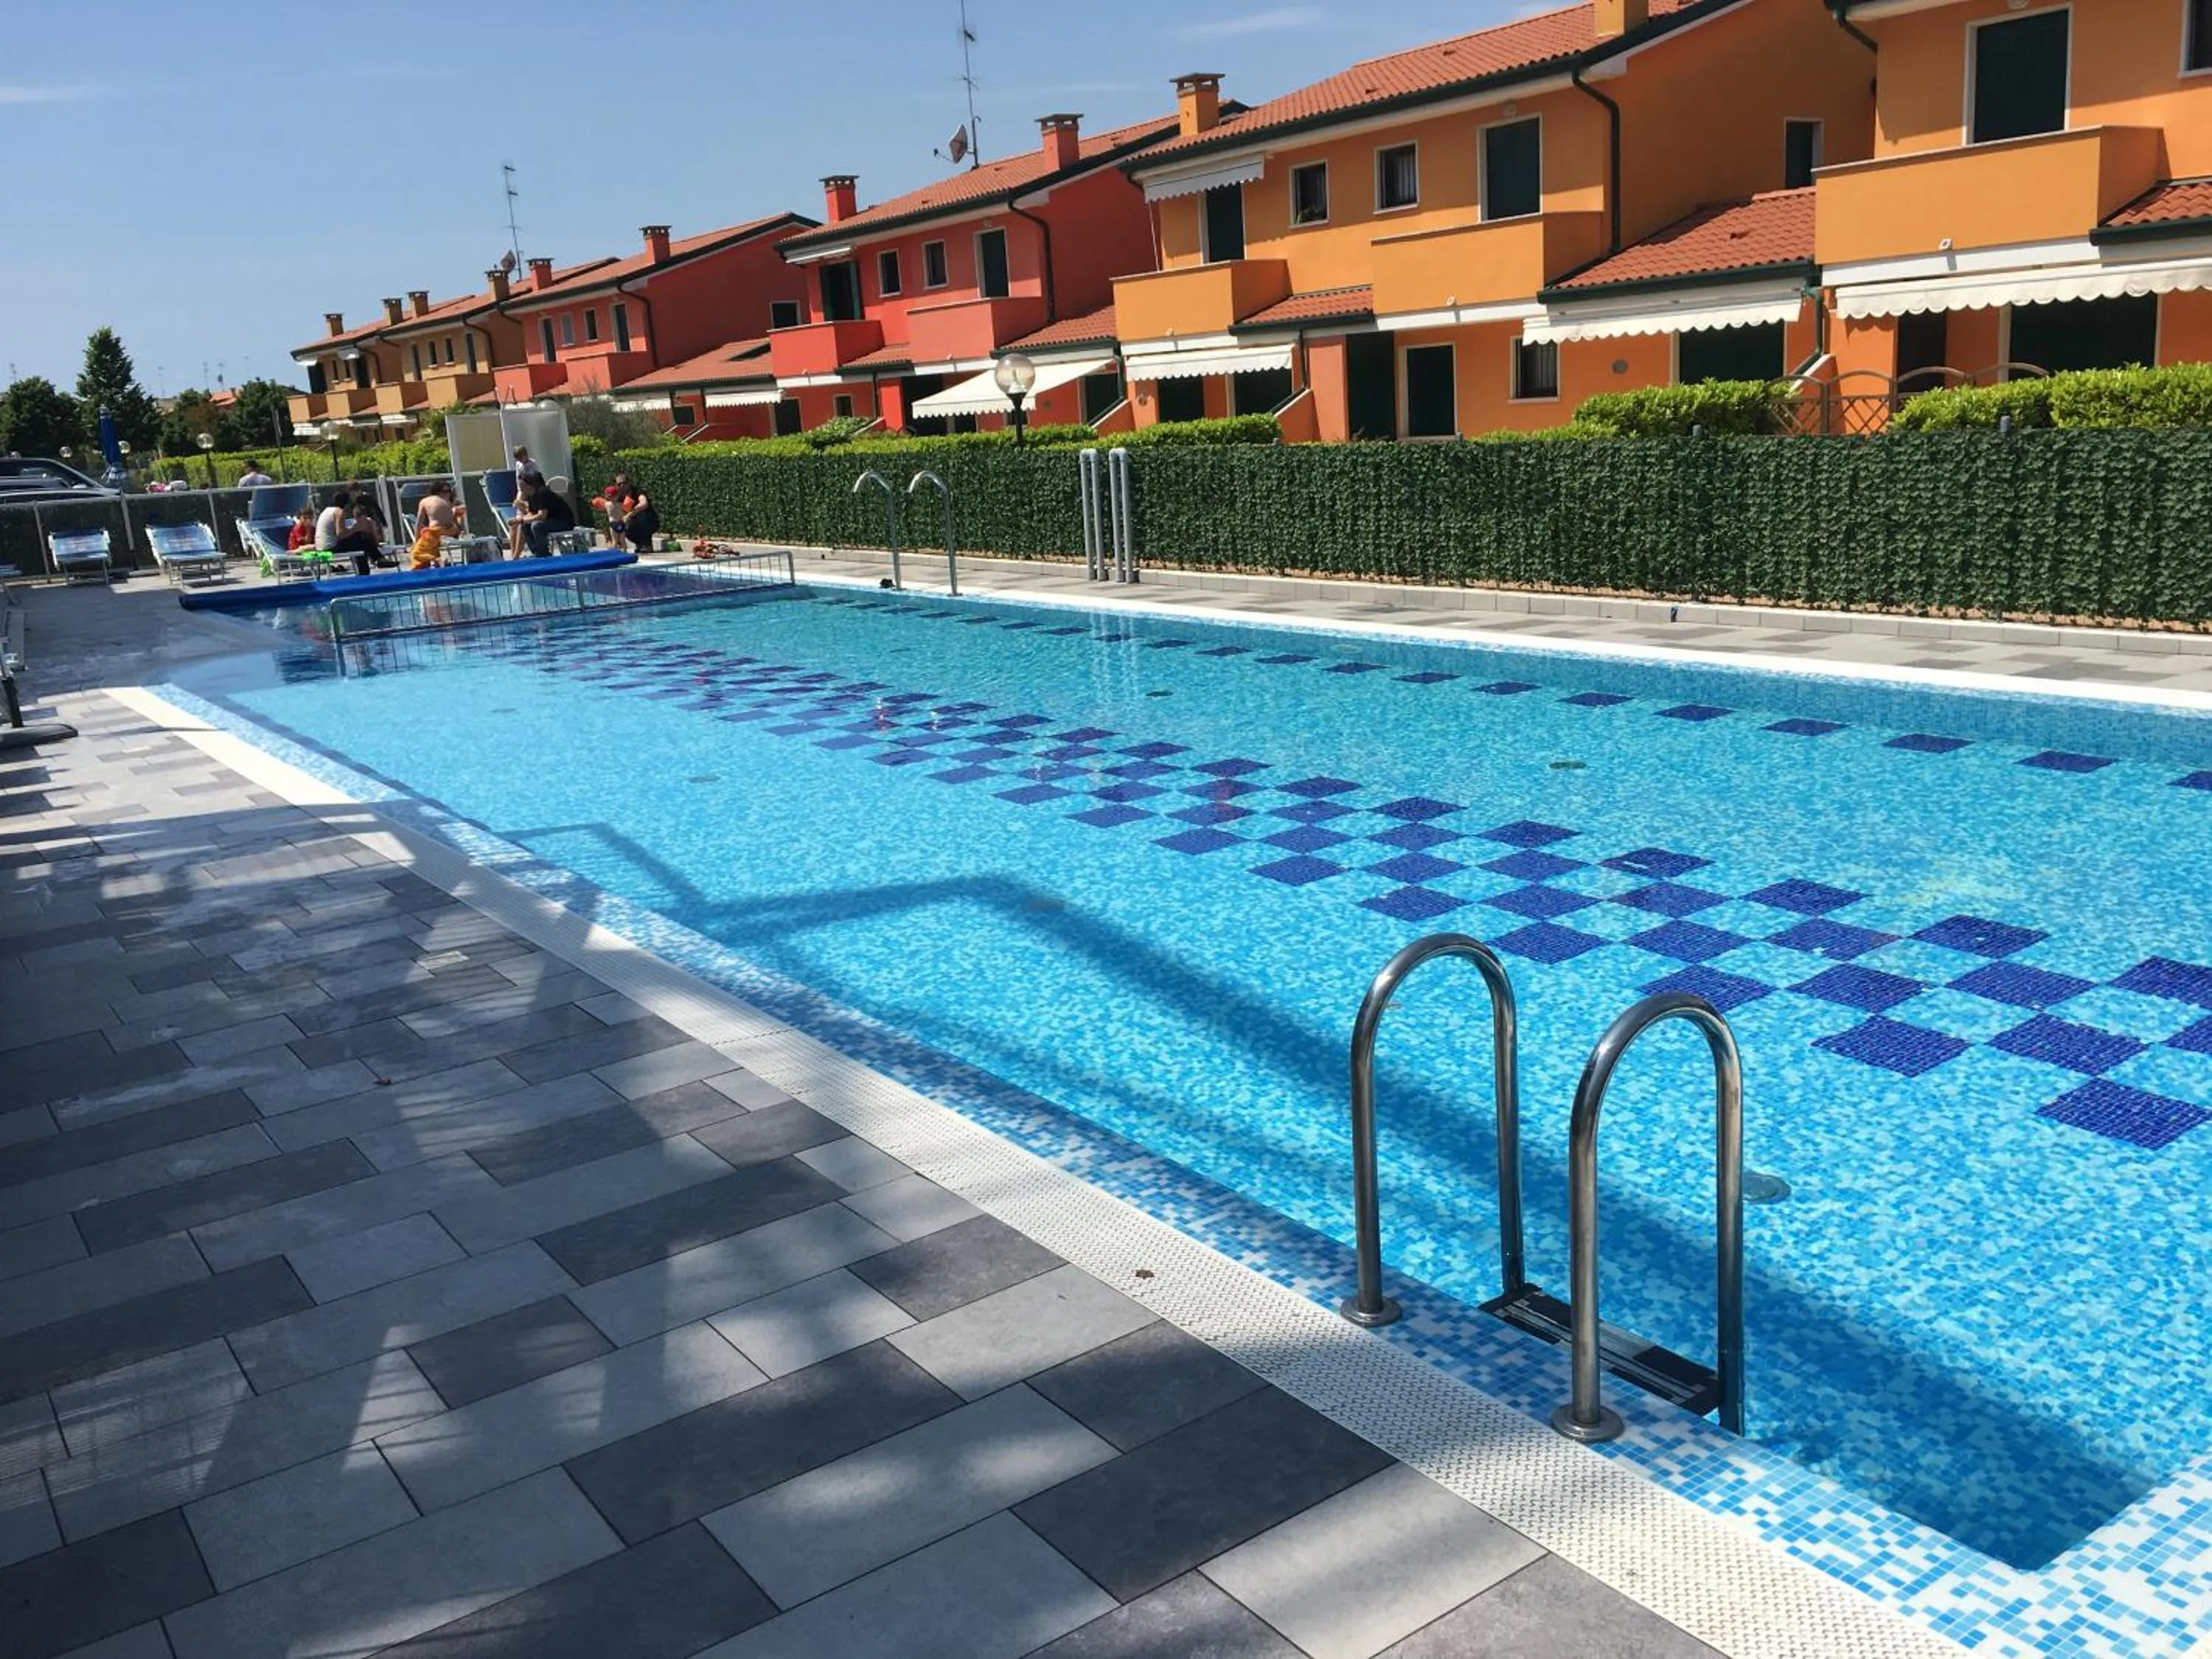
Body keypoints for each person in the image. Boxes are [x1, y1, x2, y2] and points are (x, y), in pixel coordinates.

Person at [313, 489, 383, 577]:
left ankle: (377, 560)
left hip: (321, 547)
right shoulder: (339, 512)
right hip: (331, 548)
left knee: (359, 541)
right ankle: (370, 567)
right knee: (360, 539)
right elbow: (340, 534)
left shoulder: (326, 510)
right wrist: (356, 528)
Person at [515, 478, 577, 557]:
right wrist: (520, 519)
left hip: (564, 522)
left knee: (537, 526)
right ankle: (536, 552)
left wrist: (522, 520)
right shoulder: (531, 496)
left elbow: (542, 516)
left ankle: (543, 553)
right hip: (550, 521)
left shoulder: (542, 493)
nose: (521, 491)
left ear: (529, 486)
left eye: (522, 488)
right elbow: (531, 514)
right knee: (524, 526)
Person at [506, 447, 546, 557]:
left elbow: (533, 485)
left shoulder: (532, 466)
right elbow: (520, 486)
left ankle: (516, 556)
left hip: (530, 496)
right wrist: (518, 500)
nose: (520, 461)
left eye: (521, 458)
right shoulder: (519, 465)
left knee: (520, 524)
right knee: (513, 526)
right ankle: (513, 553)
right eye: (517, 459)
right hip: (522, 495)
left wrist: (522, 501)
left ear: (525, 455)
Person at [409, 480, 457, 570]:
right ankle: (436, 563)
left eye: (448, 491)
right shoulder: (447, 503)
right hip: (450, 531)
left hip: (436, 532)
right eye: (445, 492)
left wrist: (416, 541)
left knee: (416, 553)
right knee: (431, 547)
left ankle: (438, 560)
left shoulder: (425, 501)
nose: (447, 494)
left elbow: (419, 524)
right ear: (438, 492)